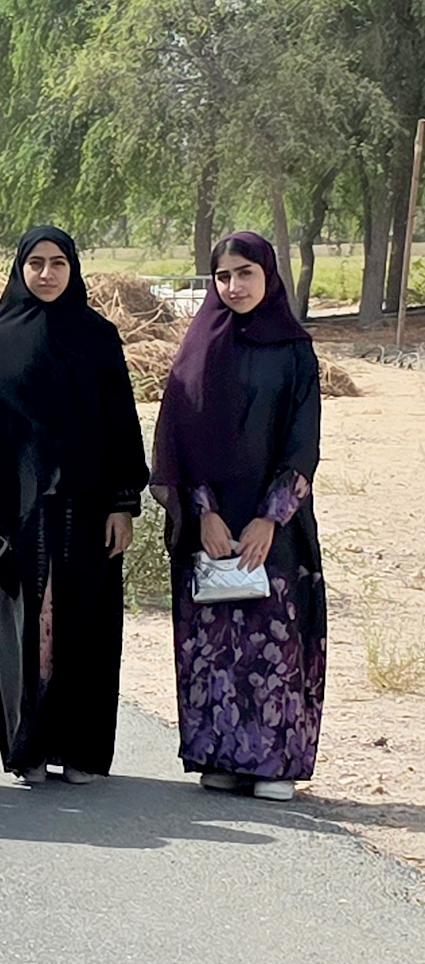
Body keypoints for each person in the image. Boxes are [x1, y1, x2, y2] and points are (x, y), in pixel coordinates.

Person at [0, 227, 147, 786]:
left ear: (74, 269)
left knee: (85, 629)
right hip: (18, 515)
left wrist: (123, 503)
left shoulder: (99, 336)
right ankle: (28, 748)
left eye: (57, 264)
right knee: (24, 631)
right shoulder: (0, 341)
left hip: (89, 510)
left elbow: (121, 423)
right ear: (20, 270)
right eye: (35, 264)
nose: (46, 274)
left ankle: (81, 749)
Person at [152, 233, 323, 802]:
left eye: (245, 273)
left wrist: (270, 517)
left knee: (273, 638)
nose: (234, 287)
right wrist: (203, 513)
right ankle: (220, 755)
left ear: (269, 275)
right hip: (213, 523)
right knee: (216, 639)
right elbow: (179, 438)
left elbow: (303, 442)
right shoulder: (199, 345)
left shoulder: (295, 350)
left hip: (275, 525)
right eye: (223, 276)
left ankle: (274, 764)